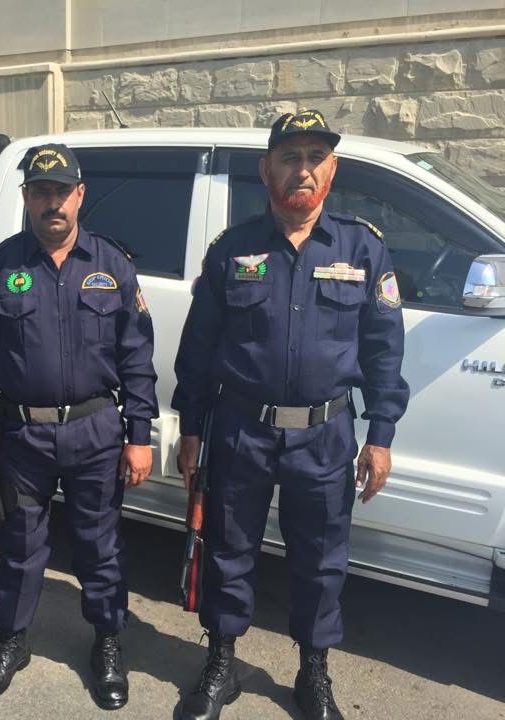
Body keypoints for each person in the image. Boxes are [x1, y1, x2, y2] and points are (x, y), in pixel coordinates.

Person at [172, 109, 409, 720]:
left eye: (315, 158)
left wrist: (380, 435)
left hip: (326, 435)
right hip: (242, 428)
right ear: (266, 170)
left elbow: (384, 351)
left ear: (331, 170)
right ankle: (221, 661)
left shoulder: (362, 247)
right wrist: (191, 427)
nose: (302, 170)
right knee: (228, 549)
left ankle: (313, 671)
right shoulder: (232, 250)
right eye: (289, 157)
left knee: (321, 559)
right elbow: (199, 348)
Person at [0, 143, 158, 710]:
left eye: (62, 191)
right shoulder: (0, 267)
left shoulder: (111, 266)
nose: (53, 202)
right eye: (41, 191)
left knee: (100, 545)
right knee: (20, 544)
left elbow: (137, 358)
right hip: (22, 434)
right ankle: (12, 640)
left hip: (96, 432)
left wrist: (140, 435)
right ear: (26, 198)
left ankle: (108, 642)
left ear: (80, 195)